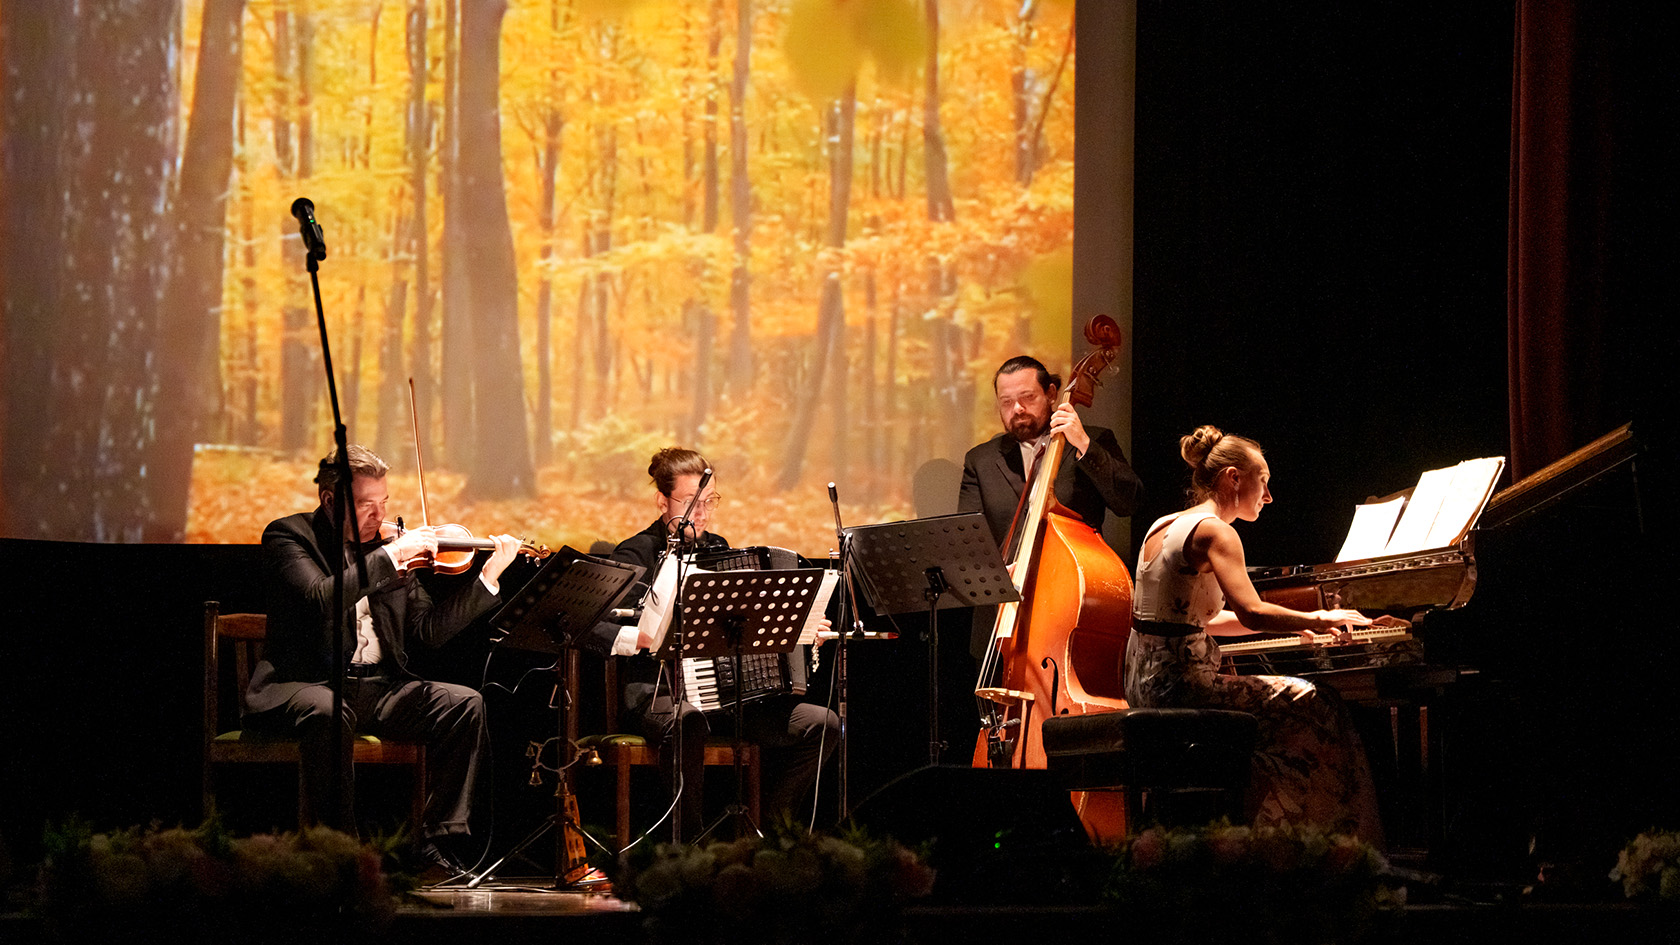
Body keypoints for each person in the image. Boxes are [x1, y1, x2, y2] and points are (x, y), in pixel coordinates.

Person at [243, 445, 521, 873]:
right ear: (330, 500)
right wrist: (390, 557)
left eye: (384, 503)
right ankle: (344, 853)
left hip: (378, 688)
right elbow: (322, 598)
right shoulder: (289, 537)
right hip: (307, 685)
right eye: (366, 504)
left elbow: (430, 632)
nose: (379, 515)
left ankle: (431, 843)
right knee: (329, 712)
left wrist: (487, 578)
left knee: (465, 704)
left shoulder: (391, 550)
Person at [1126, 425, 1388, 843]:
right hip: (1184, 689)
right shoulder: (1217, 532)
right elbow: (1250, 612)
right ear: (1234, 477)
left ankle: (1271, 831)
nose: (1268, 496)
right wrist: (1319, 619)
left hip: (1146, 686)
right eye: (1262, 481)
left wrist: (1302, 619)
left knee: (1297, 725)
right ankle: (1325, 847)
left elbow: (1201, 621)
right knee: (1321, 705)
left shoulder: (1165, 524)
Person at [582, 448, 839, 841]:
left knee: (823, 724)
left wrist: (799, 631)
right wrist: (641, 636)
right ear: (662, 501)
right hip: (659, 695)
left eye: (709, 502)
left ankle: (767, 836)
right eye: (690, 503)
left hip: (730, 695)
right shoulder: (636, 552)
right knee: (687, 722)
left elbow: (749, 629)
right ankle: (690, 848)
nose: (701, 513)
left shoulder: (721, 550)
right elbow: (594, 623)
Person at [958, 354, 1145, 658]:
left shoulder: (1093, 440)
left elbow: (1129, 502)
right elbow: (968, 539)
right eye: (1006, 402)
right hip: (1003, 621)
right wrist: (999, 576)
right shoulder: (980, 460)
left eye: (1027, 397)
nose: (1017, 409)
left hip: (1072, 606)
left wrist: (1083, 443)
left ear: (1051, 394)